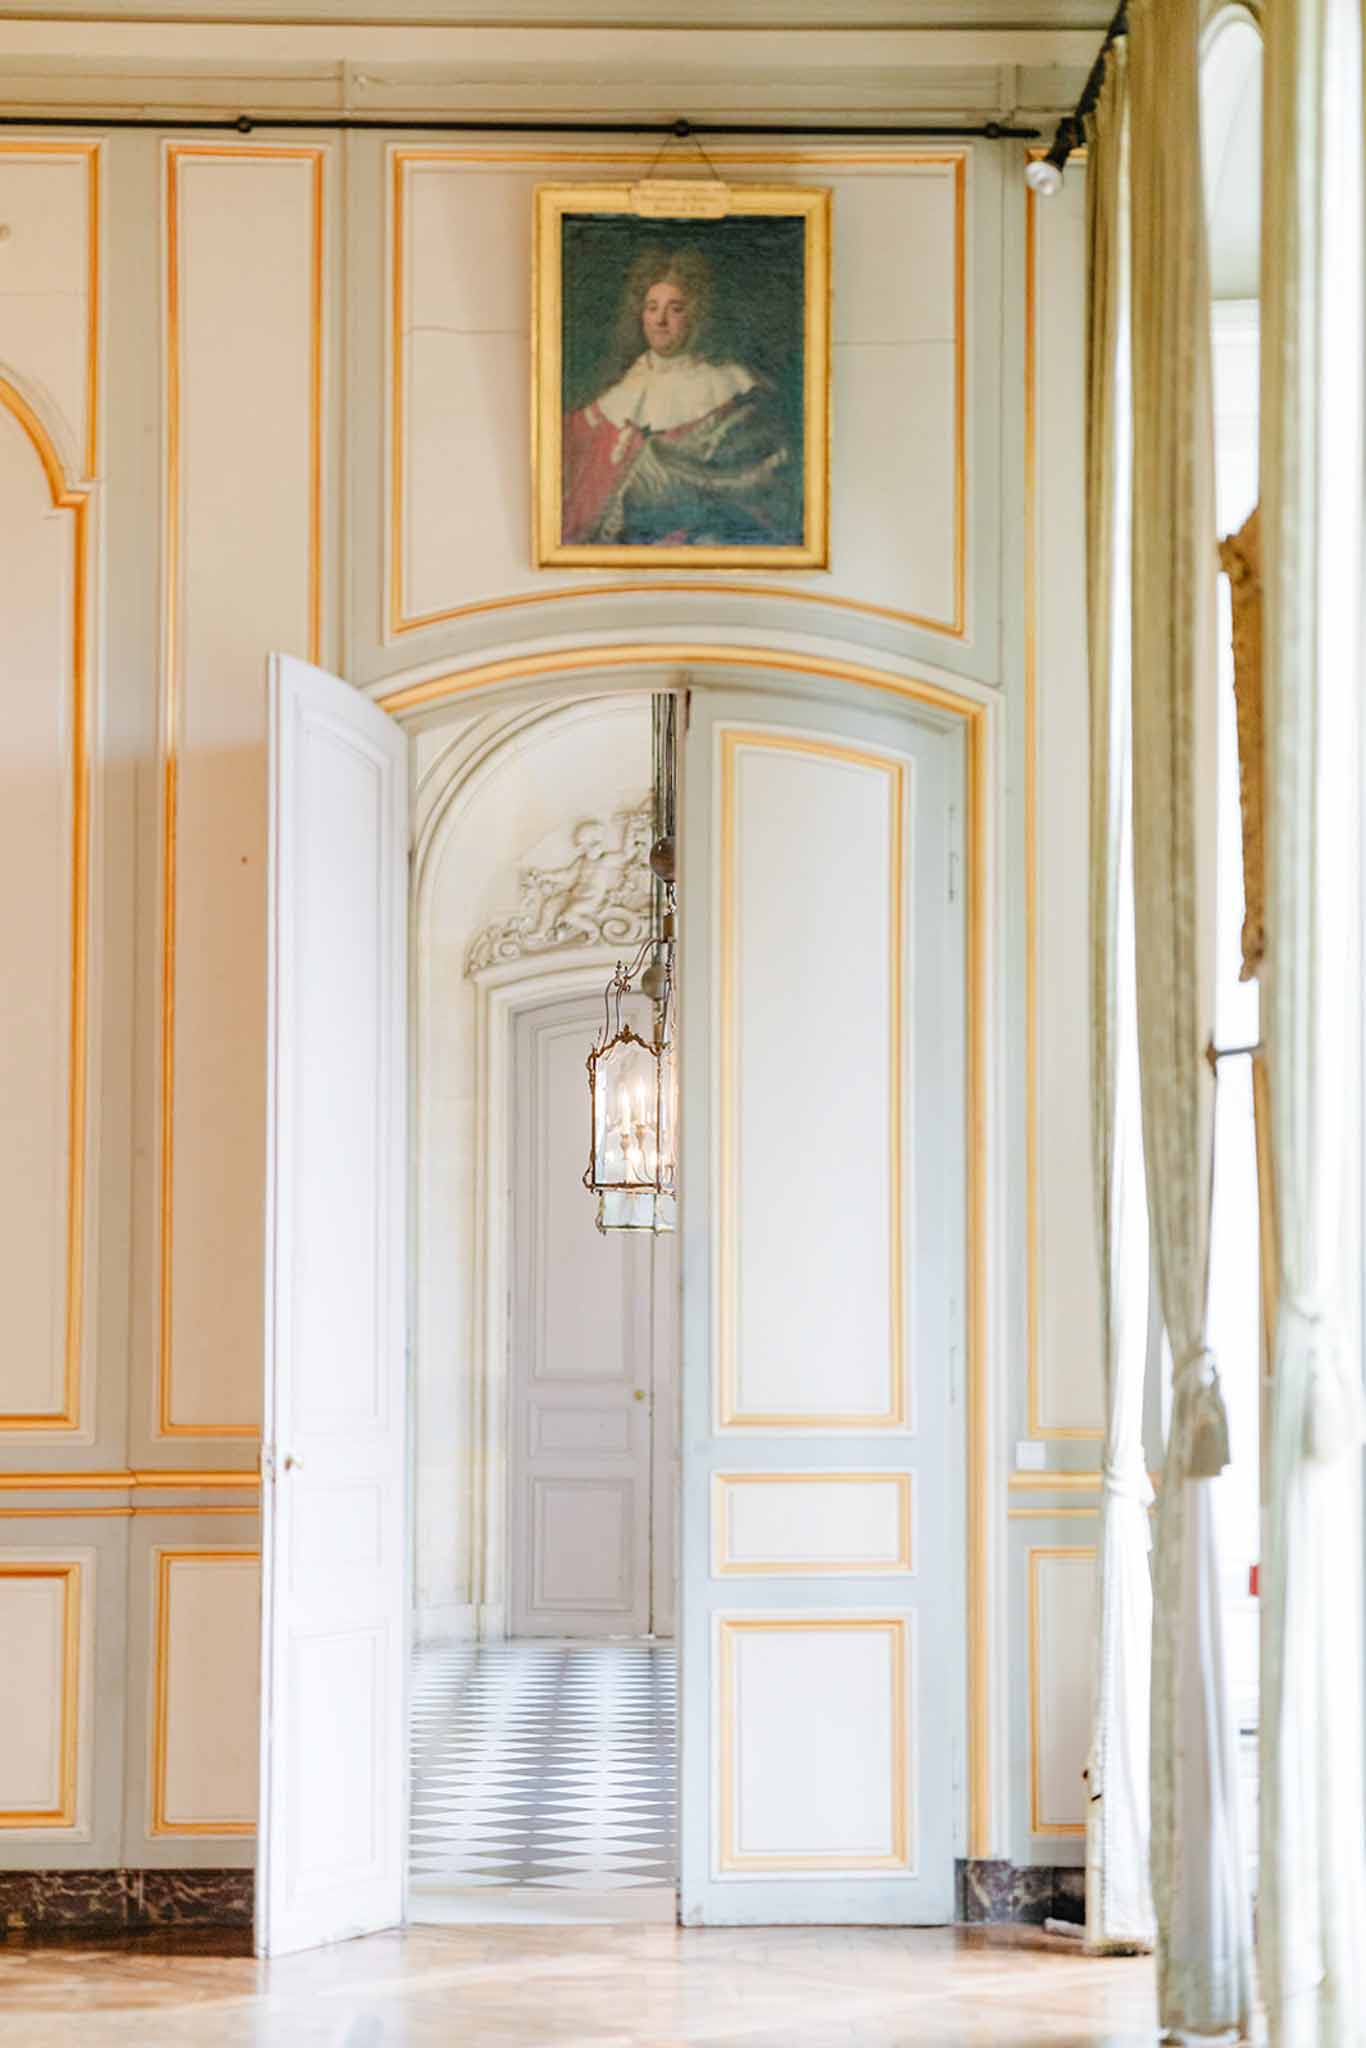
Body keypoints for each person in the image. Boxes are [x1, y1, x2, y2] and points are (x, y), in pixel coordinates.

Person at [562, 245, 800, 548]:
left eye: (675, 309)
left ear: (697, 315)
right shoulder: (631, 382)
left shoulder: (734, 391)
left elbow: (757, 496)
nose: (660, 321)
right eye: (651, 308)